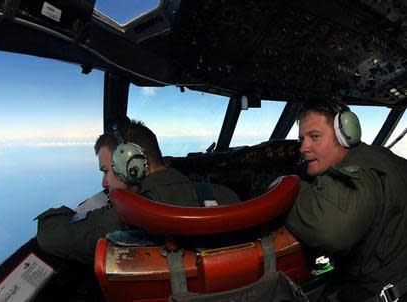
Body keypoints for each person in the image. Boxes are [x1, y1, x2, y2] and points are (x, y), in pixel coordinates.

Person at [36, 118, 240, 264]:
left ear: (130, 165)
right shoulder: (227, 196)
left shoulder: (125, 220)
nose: (104, 183)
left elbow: (49, 235)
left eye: (107, 170)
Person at [285, 101, 407, 301]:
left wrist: (285, 188)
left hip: (389, 290)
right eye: (302, 139)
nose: (303, 147)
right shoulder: (379, 156)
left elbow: (328, 229)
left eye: (314, 137)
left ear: (345, 135)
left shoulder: (362, 173)